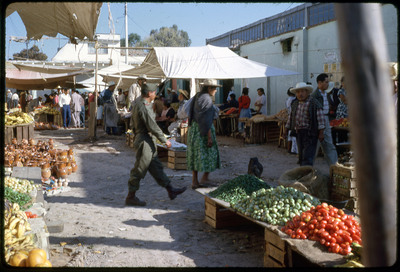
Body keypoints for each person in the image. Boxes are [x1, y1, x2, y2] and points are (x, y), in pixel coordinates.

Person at [125, 84, 187, 206]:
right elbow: (152, 126)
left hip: (145, 138)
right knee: (140, 169)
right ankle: (130, 196)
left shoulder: (138, 104)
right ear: (149, 93)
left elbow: (133, 123)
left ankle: (170, 189)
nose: (155, 94)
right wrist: (164, 140)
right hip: (144, 141)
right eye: (154, 92)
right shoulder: (144, 106)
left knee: (156, 167)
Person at [187, 79, 221, 189]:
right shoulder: (207, 99)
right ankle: (204, 178)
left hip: (195, 130)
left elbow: (190, 112)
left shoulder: (197, 96)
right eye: (214, 88)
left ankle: (194, 181)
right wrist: (209, 137)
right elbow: (206, 120)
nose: (216, 91)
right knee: (211, 153)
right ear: (209, 88)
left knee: (195, 155)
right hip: (204, 131)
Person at [285, 82, 325, 166]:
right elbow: (291, 117)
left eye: (302, 92)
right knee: (301, 155)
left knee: (308, 155)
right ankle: (303, 172)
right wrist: (286, 129)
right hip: (299, 132)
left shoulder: (314, 103)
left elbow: (320, 119)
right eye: (298, 92)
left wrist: (321, 132)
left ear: (307, 92)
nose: (300, 94)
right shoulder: (295, 103)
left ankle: (307, 173)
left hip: (310, 133)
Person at [311, 73, 338, 166]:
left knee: (329, 145)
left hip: (326, 119)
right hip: (318, 121)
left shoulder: (325, 94)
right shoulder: (315, 96)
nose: (327, 84)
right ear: (320, 83)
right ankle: (308, 169)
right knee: (315, 147)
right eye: (326, 82)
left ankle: (334, 167)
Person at [285, 87, 298, 154]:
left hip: (291, 117)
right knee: (293, 135)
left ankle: (290, 149)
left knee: (291, 135)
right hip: (293, 119)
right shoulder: (294, 100)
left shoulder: (289, 100)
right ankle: (292, 150)